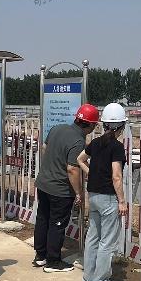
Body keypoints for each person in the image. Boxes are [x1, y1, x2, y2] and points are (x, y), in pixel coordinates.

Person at [34, 103, 100, 272]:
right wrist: (78, 193)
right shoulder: (78, 141)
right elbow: (72, 169)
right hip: (60, 189)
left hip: (43, 183)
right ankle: (53, 261)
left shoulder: (57, 128)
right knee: (57, 223)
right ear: (91, 125)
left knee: (43, 219)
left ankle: (40, 256)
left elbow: (45, 148)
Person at [77, 103, 129, 281]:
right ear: (122, 126)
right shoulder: (117, 147)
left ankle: (88, 277)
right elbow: (117, 176)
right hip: (108, 198)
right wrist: (122, 201)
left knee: (93, 237)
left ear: (104, 124)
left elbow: (80, 159)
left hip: (94, 196)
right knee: (107, 241)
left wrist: (92, 173)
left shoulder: (95, 143)